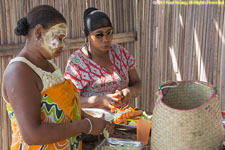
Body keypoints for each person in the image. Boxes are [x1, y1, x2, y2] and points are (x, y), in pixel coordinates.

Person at [1, 5, 113, 150]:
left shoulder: (48, 65)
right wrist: (86, 125)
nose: (62, 45)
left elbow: (67, 107)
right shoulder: (19, 72)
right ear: (39, 32)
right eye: (59, 38)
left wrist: (92, 120)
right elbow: (32, 135)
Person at [64, 7, 142, 110]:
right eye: (99, 35)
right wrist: (99, 100)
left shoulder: (120, 52)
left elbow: (137, 83)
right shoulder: (77, 62)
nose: (105, 39)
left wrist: (129, 91)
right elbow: (69, 100)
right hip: (93, 123)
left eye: (109, 32)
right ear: (88, 36)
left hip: (124, 119)